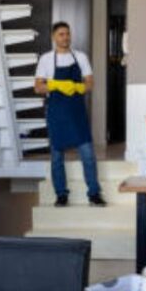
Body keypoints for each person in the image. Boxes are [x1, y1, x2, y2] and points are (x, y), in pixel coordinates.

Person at [34, 22, 106, 207]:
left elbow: (90, 83)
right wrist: (56, 85)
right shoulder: (46, 59)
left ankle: (94, 193)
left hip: (77, 112)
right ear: (54, 37)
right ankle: (61, 195)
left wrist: (78, 87)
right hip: (56, 112)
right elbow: (38, 87)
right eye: (61, 34)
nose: (65, 37)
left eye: (67, 34)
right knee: (57, 156)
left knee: (88, 154)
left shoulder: (80, 57)